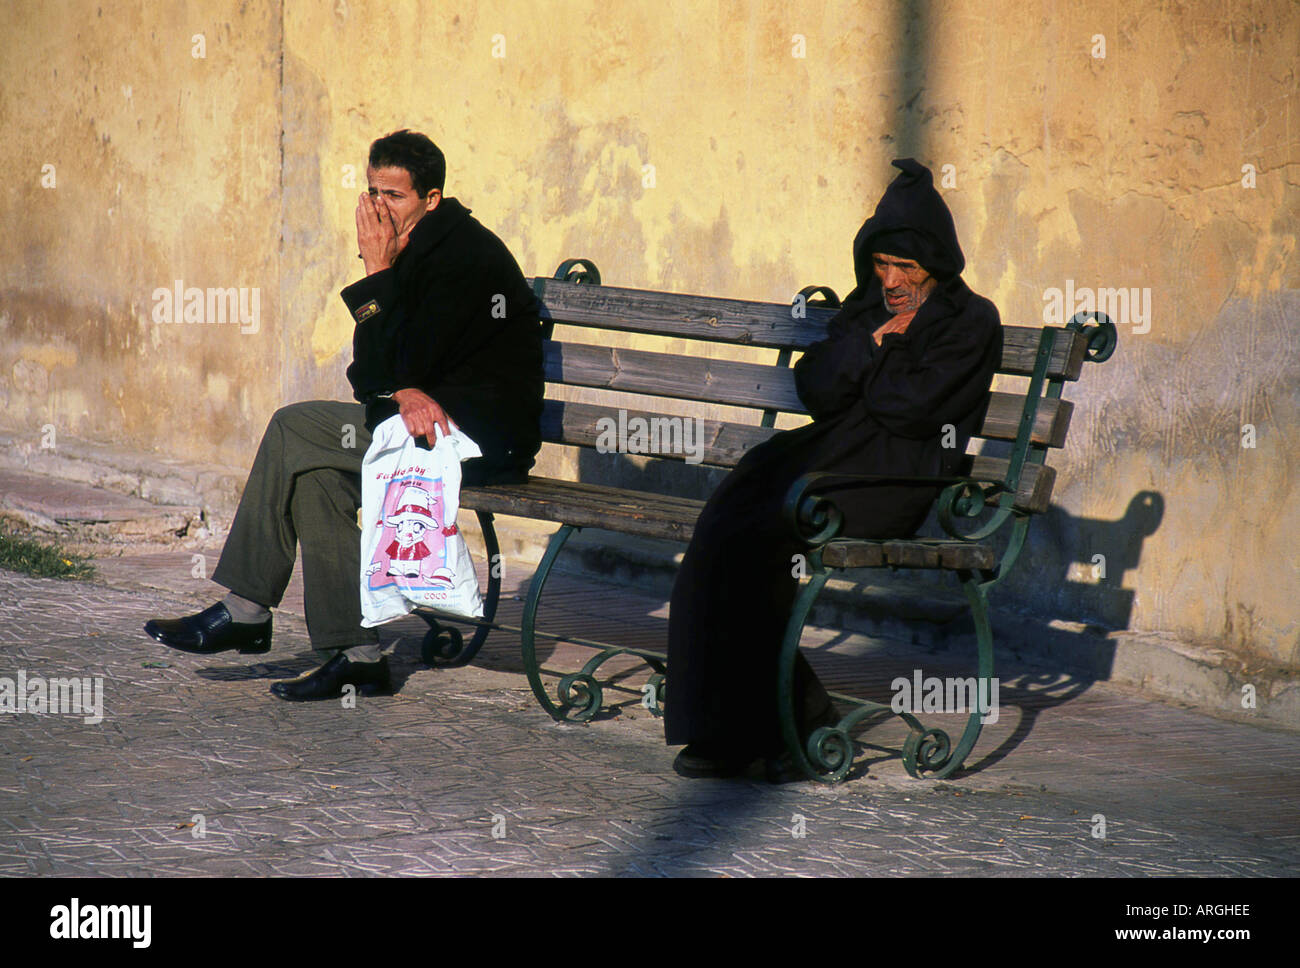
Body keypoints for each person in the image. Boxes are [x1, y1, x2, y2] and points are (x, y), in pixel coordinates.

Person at [144, 130, 542, 701]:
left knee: (293, 425)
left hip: (477, 441)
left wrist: (378, 274)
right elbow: (373, 379)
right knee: (315, 480)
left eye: (395, 196)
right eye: (372, 191)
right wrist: (398, 381)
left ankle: (246, 609)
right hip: (419, 427)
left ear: (432, 198)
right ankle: (356, 657)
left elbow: (397, 369)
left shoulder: (462, 257)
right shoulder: (414, 245)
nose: (379, 208)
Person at [664, 159, 1003, 780]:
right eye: (882, 265)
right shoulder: (866, 312)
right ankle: (731, 727)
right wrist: (874, 344)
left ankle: (791, 728)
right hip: (828, 463)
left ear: (936, 265)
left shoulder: (970, 320)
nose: (892, 280)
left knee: (762, 541)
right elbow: (816, 386)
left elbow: (911, 409)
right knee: (724, 529)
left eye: (907, 267)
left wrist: (879, 359)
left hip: (894, 480)